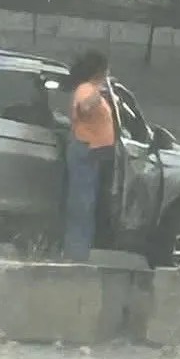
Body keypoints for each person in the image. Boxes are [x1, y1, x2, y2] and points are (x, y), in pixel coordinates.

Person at [62, 50, 115, 262]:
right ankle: (76, 254)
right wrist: (100, 91)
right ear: (99, 71)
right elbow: (84, 107)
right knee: (81, 204)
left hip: (92, 152)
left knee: (86, 203)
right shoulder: (86, 89)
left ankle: (80, 251)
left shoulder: (90, 89)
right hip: (85, 150)